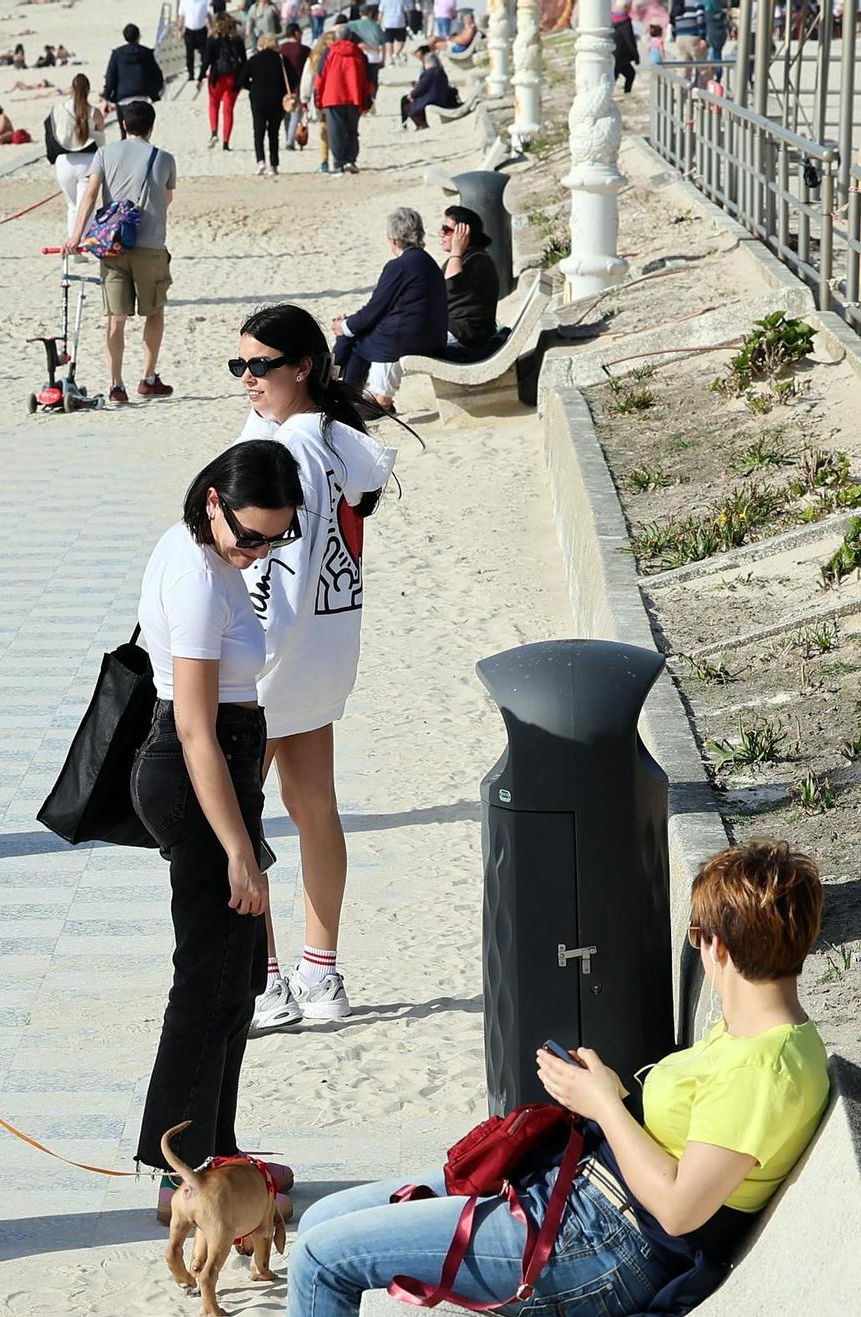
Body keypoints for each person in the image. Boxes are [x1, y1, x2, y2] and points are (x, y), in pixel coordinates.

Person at [291, 840, 830, 1316]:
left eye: (696, 936)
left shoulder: (766, 1067)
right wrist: (612, 1094)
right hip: (580, 1199)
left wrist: (605, 1106)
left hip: (606, 1242)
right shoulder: (752, 1035)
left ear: (718, 947)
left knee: (320, 1259)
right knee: (322, 1220)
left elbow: (678, 1208)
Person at [131, 439, 306, 1225]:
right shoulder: (200, 577)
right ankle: (180, 1168)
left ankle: (217, 1150)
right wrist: (240, 848)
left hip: (218, 770)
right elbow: (197, 728)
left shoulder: (206, 556)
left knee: (236, 977)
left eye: (276, 537)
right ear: (214, 502)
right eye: (251, 536)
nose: (260, 550)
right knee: (207, 976)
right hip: (199, 772)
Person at [224, 306, 395, 1031]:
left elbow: (278, 578)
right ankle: (320, 973)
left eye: (261, 366)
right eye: (239, 366)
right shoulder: (333, 441)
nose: (247, 381)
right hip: (324, 661)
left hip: (270, 662)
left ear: (302, 366)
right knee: (313, 806)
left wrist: (245, 660)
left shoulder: (287, 450)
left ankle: (264, 984)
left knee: (235, 818)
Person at [61, 100, 177, 405]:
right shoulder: (163, 158)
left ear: (124, 125)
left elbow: (89, 195)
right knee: (154, 312)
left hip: (111, 246)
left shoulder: (104, 153)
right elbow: (166, 199)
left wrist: (76, 236)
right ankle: (148, 378)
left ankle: (116, 384)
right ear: (151, 127)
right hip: (150, 245)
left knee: (115, 317)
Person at [331, 207, 447, 411]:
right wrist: (350, 323)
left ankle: (346, 394)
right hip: (432, 337)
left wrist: (345, 325)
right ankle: (347, 393)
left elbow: (375, 308)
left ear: (394, 240)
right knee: (353, 332)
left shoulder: (399, 265)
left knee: (352, 339)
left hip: (407, 339)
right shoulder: (428, 262)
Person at [438, 204, 502, 359]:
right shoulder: (465, 258)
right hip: (456, 331)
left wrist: (457, 250)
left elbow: (452, 284)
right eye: (442, 229)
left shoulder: (478, 261)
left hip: (467, 337)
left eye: (447, 230)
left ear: (463, 234)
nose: (442, 234)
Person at [47, 74, 104, 235]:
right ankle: (83, 243)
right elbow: (101, 141)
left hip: (64, 162)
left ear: (71, 89)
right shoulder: (94, 112)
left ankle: (74, 251)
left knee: (72, 207)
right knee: (85, 207)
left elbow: (51, 134)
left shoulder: (58, 109)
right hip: (88, 162)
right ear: (88, 90)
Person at [317, 24, 369, 174]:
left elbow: (321, 76)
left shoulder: (329, 52)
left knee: (335, 131)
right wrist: (367, 98)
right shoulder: (358, 53)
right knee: (352, 130)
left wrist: (318, 98)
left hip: (333, 96)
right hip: (354, 96)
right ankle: (350, 160)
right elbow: (367, 78)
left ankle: (339, 162)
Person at [242, 36, 291, 174]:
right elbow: (293, 78)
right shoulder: (281, 60)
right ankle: (273, 165)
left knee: (258, 131)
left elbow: (242, 78)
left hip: (258, 99)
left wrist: (252, 87)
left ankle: (260, 161)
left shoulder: (254, 60)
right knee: (273, 133)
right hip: (276, 100)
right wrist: (283, 90)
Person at [205, 15, 248, 149]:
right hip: (233, 78)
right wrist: (244, 79)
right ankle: (226, 143)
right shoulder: (237, 40)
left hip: (217, 77)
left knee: (213, 104)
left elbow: (206, 60)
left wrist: (200, 76)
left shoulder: (213, 40)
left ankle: (214, 132)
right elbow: (244, 61)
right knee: (228, 110)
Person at [103, 22, 167, 106]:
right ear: (138, 36)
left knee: (124, 119)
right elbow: (156, 75)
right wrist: (155, 94)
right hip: (143, 95)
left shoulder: (117, 54)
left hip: (123, 97)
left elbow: (110, 77)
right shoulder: (146, 53)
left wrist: (107, 97)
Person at [399, 47, 458, 128]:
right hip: (440, 97)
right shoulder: (441, 72)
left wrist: (412, 95)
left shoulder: (429, 73)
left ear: (428, 63)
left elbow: (421, 89)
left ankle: (418, 124)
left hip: (432, 99)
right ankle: (410, 124)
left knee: (406, 101)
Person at [178, 0, 214, 85]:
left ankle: (203, 72)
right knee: (189, 54)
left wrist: (212, 27)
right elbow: (181, 16)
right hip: (189, 31)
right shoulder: (184, 2)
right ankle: (191, 74)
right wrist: (180, 30)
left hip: (201, 31)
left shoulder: (204, 1)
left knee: (204, 53)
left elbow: (209, 14)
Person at [613, 0, 642, 92]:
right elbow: (629, 40)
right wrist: (636, 57)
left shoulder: (611, 18)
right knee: (627, 74)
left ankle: (623, 93)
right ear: (627, 7)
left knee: (628, 74)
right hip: (621, 55)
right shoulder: (625, 22)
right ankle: (625, 93)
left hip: (613, 52)